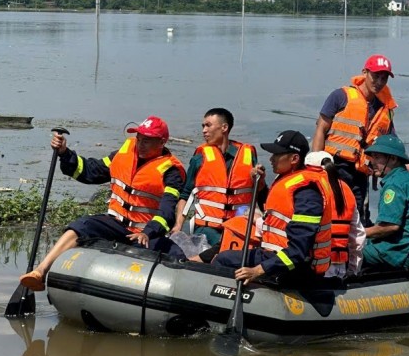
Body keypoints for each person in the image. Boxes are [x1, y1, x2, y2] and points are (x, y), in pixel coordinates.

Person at [18, 116, 185, 292]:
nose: (140, 144)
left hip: (145, 233)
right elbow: (91, 171)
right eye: (139, 139)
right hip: (114, 224)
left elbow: (167, 211)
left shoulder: (171, 171)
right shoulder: (123, 153)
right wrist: (64, 153)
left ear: (161, 142)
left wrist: (148, 233)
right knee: (81, 225)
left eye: (147, 141)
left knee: (176, 256)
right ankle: (40, 271)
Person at [312, 55, 409, 224]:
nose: (379, 82)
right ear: (364, 72)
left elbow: (395, 147)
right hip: (333, 166)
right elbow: (320, 129)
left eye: (384, 78)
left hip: (361, 172)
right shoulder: (340, 96)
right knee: (328, 212)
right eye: (375, 76)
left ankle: (355, 249)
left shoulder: (384, 110)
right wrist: (315, 166)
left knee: (358, 217)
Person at [212, 130, 333, 285]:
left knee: (224, 260)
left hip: (294, 267)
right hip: (274, 255)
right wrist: (261, 187)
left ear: (294, 158)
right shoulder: (288, 180)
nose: (271, 158)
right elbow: (274, 214)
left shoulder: (307, 194)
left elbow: (299, 251)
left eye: (277, 154)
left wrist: (258, 270)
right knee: (224, 255)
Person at [171, 107, 265, 247]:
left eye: (208, 125)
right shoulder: (200, 157)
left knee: (245, 247)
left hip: (238, 226)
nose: (204, 130)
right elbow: (185, 195)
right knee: (223, 246)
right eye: (203, 126)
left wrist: (259, 179)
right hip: (207, 228)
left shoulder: (248, 155)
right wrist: (178, 225)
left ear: (224, 127)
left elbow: (260, 193)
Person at [362, 135, 409, 272]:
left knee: (345, 252)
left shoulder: (394, 185)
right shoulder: (408, 179)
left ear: (393, 159)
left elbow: (390, 227)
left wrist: (356, 234)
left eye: (377, 157)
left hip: (400, 251)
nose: (372, 162)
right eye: (372, 157)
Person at [304, 151, 366, 278]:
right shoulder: (346, 190)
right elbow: (358, 236)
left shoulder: (310, 189)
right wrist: (354, 269)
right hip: (340, 266)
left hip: (316, 266)